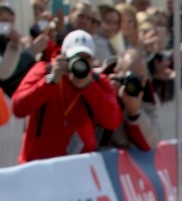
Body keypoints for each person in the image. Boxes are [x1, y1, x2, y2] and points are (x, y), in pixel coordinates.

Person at [11, 29, 121, 163]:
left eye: (86, 58)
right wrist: (49, 82)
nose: (80, 62)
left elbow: (112, 121)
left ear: (92, 61)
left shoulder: (99, 82)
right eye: (75, 57)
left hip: (79, 165)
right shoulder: (43, 71)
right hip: (39, 165)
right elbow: (18, 108)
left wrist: (88, 86)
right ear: (63, 56)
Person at [102, 47, 159, 151]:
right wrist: (110, 98)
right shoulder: (101, 84)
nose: (134, 83)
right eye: (130, 76)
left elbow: (152, 142)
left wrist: (135, 114)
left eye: (140, 78)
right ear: (117, 72)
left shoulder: (148, 96)